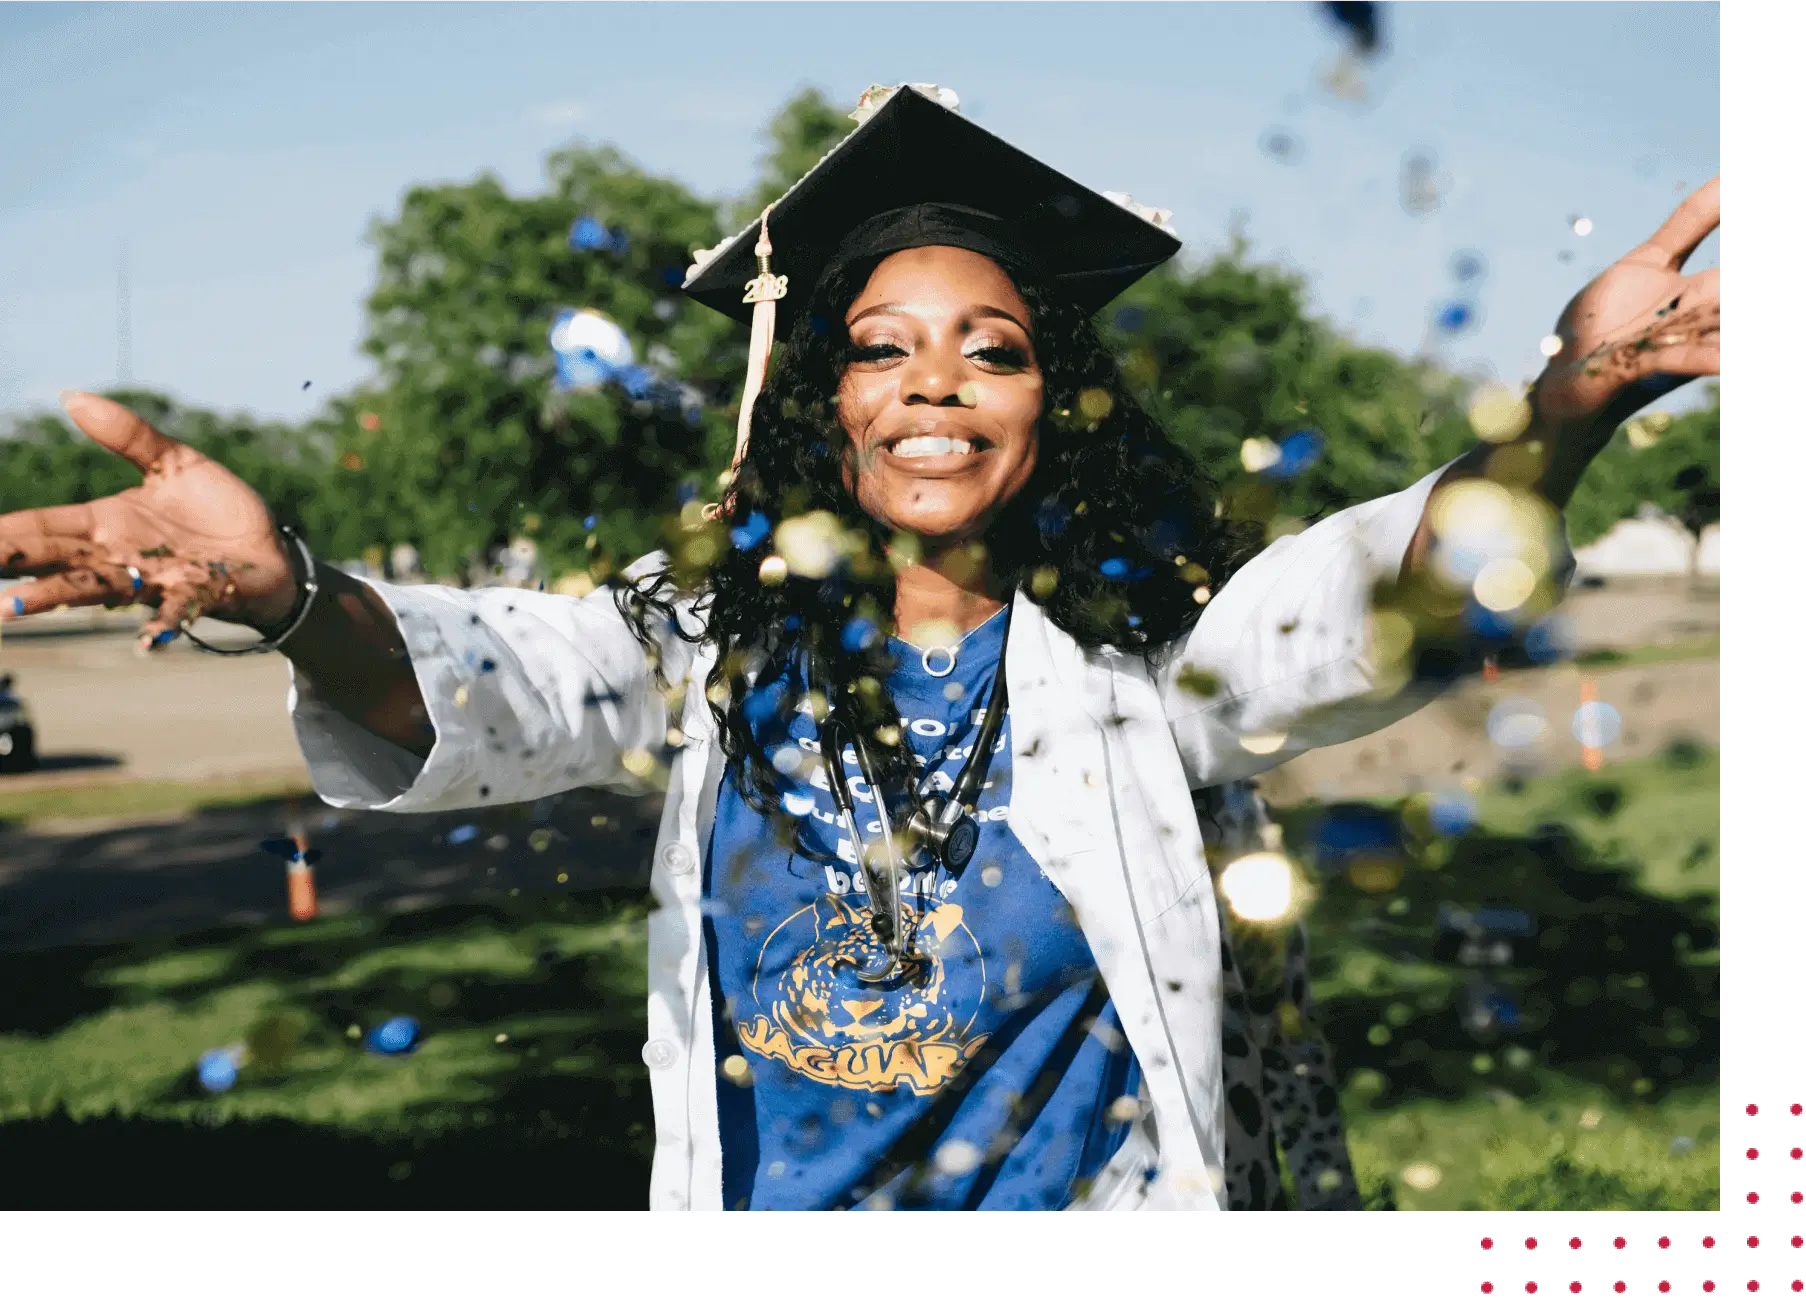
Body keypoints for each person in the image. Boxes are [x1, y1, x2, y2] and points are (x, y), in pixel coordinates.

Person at [0, 85, 1719, 1215]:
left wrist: (1557, 422)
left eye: (995, 346)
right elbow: (492, 677)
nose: (936, 381)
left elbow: (1363, 605)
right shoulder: (702, 648)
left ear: (1061, 398)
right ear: (820, 395)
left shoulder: (1145, 667)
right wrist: (293, 594)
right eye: (882, 346)